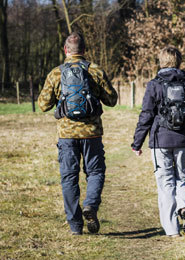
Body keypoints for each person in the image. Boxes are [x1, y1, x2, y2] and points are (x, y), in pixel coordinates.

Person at [38, 32, 118, 235]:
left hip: (67, 135)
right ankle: (90, 205)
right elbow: (112, 100)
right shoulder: (95, 70)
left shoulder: (56, 73)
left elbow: (42, 105)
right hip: (91, 133)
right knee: (96, 172)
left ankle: (75, 226)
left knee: (69, 178)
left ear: (66, 50)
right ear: (84, 50)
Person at [131, 46, 185, 237]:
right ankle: (184, 207)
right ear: (179, 61)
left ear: (161, 61)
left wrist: (137, 143)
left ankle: (173, 230)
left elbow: (146, 115)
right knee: (183, 178)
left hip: (161, 141)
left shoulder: (154, 84)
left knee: (166, 183)